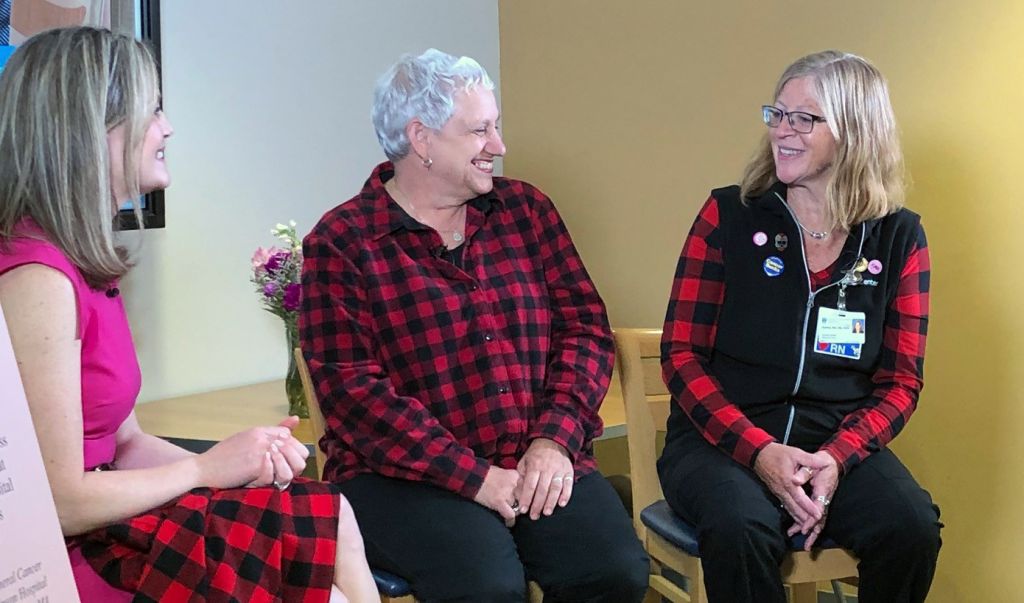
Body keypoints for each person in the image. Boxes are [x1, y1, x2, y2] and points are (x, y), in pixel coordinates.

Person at [0, 27, 379, 603]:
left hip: (112, 520)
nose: (167, 128)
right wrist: (206, 471)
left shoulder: (82, 263)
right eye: (152, 112)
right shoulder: (38, 279)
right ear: (90, 132)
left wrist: (240, 465)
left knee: (328, 512)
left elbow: (122, 441)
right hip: (79, 556)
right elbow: (61, 501)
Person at [300, 48, 649, 603]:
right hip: (404, 475)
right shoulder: (342, 242)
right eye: (479, 130)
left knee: (613, 570)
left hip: (537, 455)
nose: (498, 146)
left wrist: (554, 441)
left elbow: (584, 329)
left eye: (497, 126)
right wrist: (477, 478)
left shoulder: (526, 212)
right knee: (487, 587)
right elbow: (354, 395)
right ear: (422, 139)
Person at [658, 50, 941, 603]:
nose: (781, 132)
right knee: (744, 528)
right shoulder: (729, 216)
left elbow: (901, 382)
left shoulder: (899, 238)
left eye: (804, 119)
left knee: (910, 528)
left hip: (834, 444)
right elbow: (681, 355)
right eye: (777, 114)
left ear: (855, 133)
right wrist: (759, 451)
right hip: (721, 442)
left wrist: (837, 456)